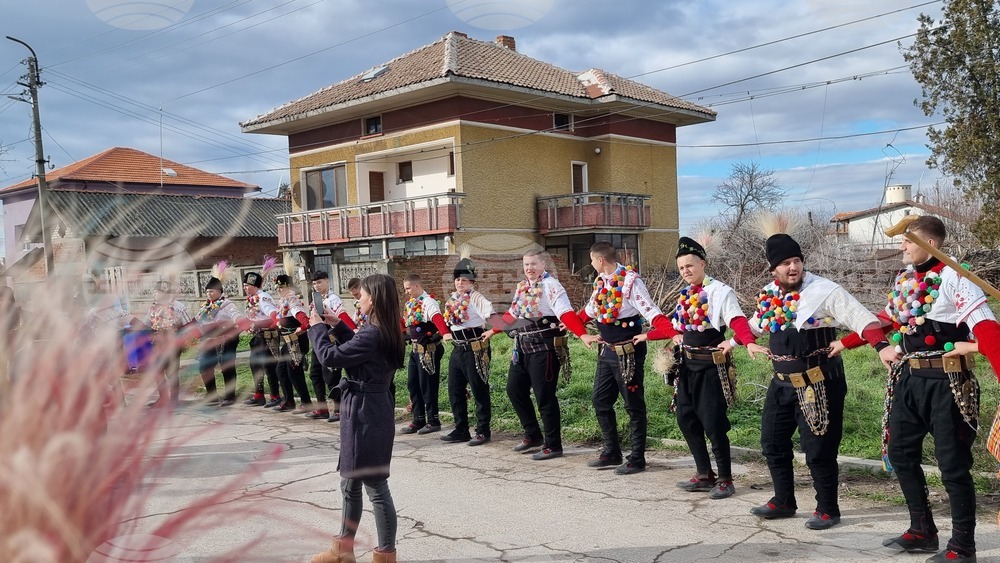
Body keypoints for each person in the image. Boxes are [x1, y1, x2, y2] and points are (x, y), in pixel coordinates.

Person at [744, 232, 898, 530]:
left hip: (819, 382)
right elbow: (753, 325)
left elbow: (863, 319)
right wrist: (741, 341)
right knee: (772, 442)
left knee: (818, 448)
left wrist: (881, 346)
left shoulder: (824, 291)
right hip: (781, 382)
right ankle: (783, 501)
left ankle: (828, 508)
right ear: (773, 268)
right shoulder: (769, 295)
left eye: (797, 261)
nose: (793, 268)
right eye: (786, 263)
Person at [877, 215, 1000, 563]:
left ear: (930, 244)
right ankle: (922, 531)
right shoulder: (905, 280)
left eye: (907, 240)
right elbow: (886, 320)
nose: (901, 246)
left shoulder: (957, 279)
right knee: (900, 454)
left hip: (948, 384)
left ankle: (963, 547)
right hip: (909, 380)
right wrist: (860, 340)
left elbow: (988, 330)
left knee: (952, 464)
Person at [637, 237, 756, 492]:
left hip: (711, 368)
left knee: (713, 422)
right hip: (687, 368)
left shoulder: (720, 292)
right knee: (686, 417)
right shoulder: (686, 295)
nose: (686, 271)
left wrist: (746, 342)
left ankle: (725, 479)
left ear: (702, 263)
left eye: (690, 265)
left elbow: (737, 320)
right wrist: (650, 335)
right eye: (681, 268)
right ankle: (704, 474)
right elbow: (680, 327)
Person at [307, 274, 404, 563]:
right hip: (367, 407)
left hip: (366, 412)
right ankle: (342, 550)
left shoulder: (373, 333)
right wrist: (339, 325)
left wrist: (316, 330)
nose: (357, 299)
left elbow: (330, 357)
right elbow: (361, 351)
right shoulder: (382, 329)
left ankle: (385, 555)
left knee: (373, 484)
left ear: (372, 298)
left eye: (360, 295)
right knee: (350, 482)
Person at [576, 241, 674, 474]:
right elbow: (589, 311)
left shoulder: (631, 282)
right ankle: (612, 451)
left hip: (628, 352)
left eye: (591, 260)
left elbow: (651, 311)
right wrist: (569, 324)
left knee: (633, 405)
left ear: (600, 260)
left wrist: (670, 333)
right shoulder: (601, 282)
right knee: (600, 400)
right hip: (607, 350)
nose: (590, 264)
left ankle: (637, 457)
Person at [493, 249, 589, 460]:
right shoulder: (523, 287)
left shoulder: (551, 286)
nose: (529, 269)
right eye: (526, 265)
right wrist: (493, 329)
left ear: (543, 265)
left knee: (544, 397)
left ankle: (553, 445)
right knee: (514, 390)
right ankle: (532, 434)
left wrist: (582, 335)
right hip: (522, 348)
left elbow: (566, 313)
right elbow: (513, 314)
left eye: (533, 264)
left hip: (544, 348)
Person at [439, 258, 500, 445]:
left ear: (472, 283)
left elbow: (494, 318)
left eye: (464, 280)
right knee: (455, 390)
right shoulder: (452, 300)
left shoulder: (476, 298)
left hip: (475, 348)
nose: (459, 283)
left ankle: (483, 430)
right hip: (458, 349)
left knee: (478, 389)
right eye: (457, 279)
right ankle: (461, 429)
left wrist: (493, 330)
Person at [400, 274, 448, 435]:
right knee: (413, 384)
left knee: (427, 385)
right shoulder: (411, 303)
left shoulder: (428, 302)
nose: (406, 291)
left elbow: (438, 319)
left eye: (408, 288)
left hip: (428, 350)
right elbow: (404, 321)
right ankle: (418, 419)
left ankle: (433, 420)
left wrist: (444, 334)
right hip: (415, 350)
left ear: (416, 286)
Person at [307, 271, 356, 422]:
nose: (317, 285)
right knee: (315, 373)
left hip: (330, 339)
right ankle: (322, 408)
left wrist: (352, 329)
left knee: (331, 376)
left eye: (319, 282)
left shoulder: (333, 299)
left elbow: (342, 317)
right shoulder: (316, 300)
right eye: (314, 283)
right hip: (319, 340)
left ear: (328, 281)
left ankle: (339, 409)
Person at [194, 268, 246, 407]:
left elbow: (236, 316)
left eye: (211, 291)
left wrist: (242, 323)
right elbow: (197, 320)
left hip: (226, 340)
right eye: (207, 292)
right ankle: (212, 395)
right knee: (204, 366)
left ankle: (230, 396)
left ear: (219, 291)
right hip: (209, 341)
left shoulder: (226, 305)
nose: (209, 294)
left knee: (227, 367)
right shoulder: (205, 306)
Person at [144, 281, 191, 408]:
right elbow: (147, 323)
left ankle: (174, 399)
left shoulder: (178, 307)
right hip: (158, 344)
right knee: (157, 370)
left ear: (165, 293)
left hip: (174, 343)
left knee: (172, 371)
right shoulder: (153, 308)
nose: (154, 294)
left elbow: (188, 325)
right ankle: (163, 398)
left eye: (157, 292)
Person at [272, 274, 313, 413]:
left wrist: (302, 327)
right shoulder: (283, 300)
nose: (278, 289)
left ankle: (306, 402)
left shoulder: (291, 299)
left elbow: (301, 317)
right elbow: (280, 317)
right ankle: (288, 401)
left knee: (295, 372)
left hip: (296, 342)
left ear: (288, 287)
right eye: (277, 287)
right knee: (280, 370)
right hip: (288, 341)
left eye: (281, 287)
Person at [242, 267, 282, 407]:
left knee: (269, 366)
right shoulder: (252, 298)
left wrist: (259, 324)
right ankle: (259, 395)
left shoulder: (263, 297)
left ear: (254, 286)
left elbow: (273, 314)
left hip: (268, 337)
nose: (245, 288)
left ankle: (275, 396)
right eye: (245, 285)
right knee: (255, 364)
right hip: (258, 337)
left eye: (248, 286)